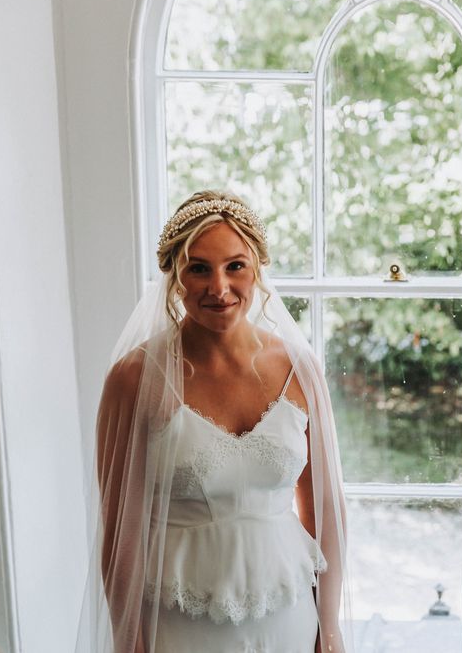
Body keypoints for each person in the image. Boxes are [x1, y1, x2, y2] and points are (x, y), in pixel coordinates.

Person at [76, 191, 352, 653]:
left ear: (258, 269)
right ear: (175, 276)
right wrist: (130, 642)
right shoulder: (134, 378)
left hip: (288, 619)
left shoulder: (300, 369)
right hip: (179, 625)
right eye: (199, 268)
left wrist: (329, 627)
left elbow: (326, 510)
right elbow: (121, 531)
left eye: (235, 266)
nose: (219, 288)